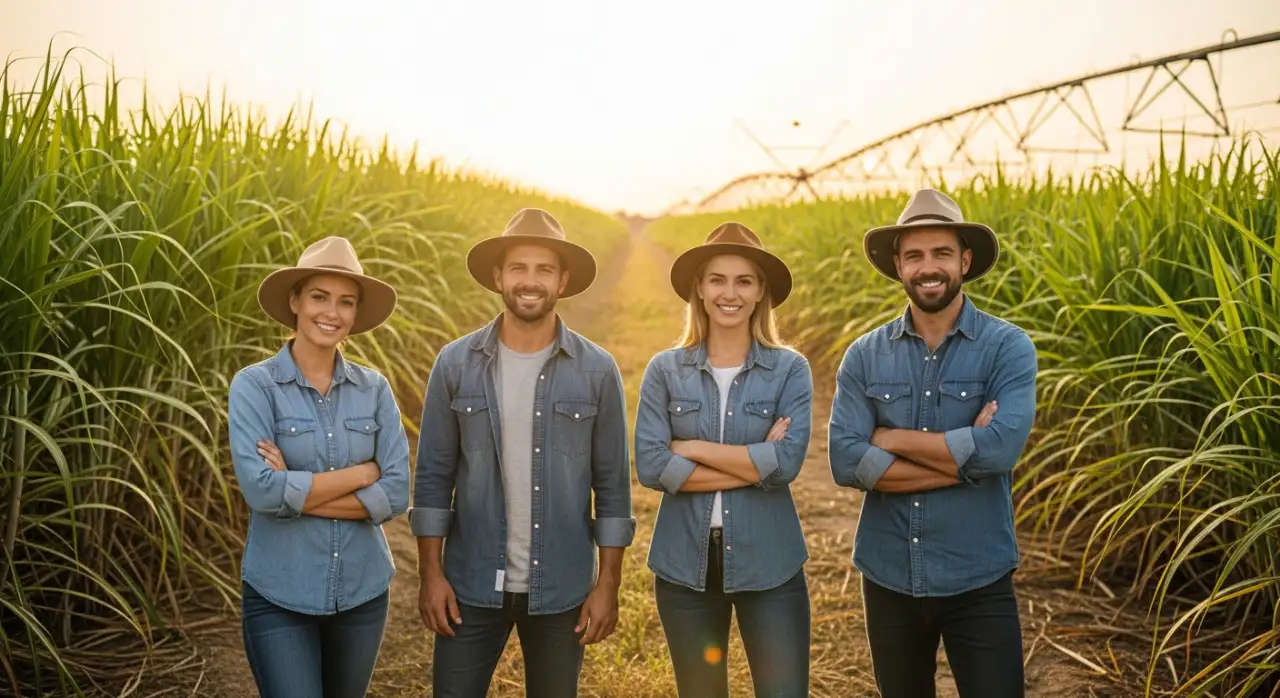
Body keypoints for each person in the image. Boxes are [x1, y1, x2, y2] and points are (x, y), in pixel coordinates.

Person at [409, 208, 636, 698]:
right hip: (468, 587)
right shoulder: (455, 364)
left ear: (563, 280)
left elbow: (613, 487)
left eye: (543, 270)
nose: (529, 282)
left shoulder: (597, 370)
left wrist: (608, 585)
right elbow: (432, 477)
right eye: (518, 268)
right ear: (498, 276)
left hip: (561, 589)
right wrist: (431, 574)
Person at [828, 188, 1038, 698]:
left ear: (964, 260)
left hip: (978, 577)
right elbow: (846, 460)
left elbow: (1000, 452)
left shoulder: (1007, 348)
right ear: (899, 266)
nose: (929, 267)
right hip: (888, 576)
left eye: (942, 253)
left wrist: (892, 438)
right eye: (915, 255)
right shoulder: (864, 355)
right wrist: (964, 461)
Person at [634, 221, 814, 698]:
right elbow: (651, 466)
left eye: (744, 281)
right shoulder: (665, 370)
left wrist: (689, 449)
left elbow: (787, 464)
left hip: (771, 565)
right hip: (684, 566)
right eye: (717, 279)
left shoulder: (790, 369)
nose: (729, 293)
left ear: (760, 293)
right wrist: (755, 465)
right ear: (699, 288)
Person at [226, 236, 411, 698]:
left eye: (346, 302)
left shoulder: (374, 389)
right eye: (319, 297)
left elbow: (397, 493)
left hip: (362, 592)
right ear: (295, 301)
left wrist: (297, 490)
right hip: (278, 594)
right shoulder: (255, 387)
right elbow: (263, 492)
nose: (332, 312)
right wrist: (361, 475)